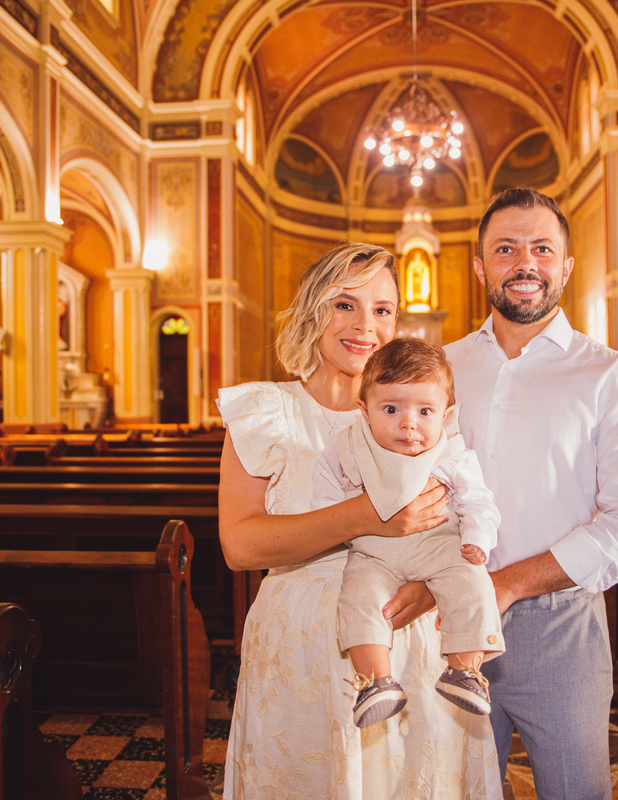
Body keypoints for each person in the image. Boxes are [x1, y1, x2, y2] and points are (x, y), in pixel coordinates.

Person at [217, 242, 503, 800]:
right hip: (301, 651)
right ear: (312, 310)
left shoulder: (423, 415)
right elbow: (240, 546)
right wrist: (368, 517)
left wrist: (432, 583)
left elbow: (456, 521)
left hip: (409, 645)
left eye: (382, 309)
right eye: (344, 304)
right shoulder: (267, 411)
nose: (364, 325)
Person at [443, 188, 618, 799]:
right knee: (456, 790)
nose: (525, 263)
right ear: (480, 266)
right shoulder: (441, 367)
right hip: (448, 620)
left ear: (566, 265)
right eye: (506, 249)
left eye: (542, 248)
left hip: (560, 624)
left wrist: (511, 582)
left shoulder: (610, 374)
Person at [313, 337, 504, 728]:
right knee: (360, 598)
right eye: (391, 408)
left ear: (446, 414)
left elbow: (478, 502)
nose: (408, 423)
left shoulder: (452, 453)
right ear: (364, 411)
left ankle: (464, 669)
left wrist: (477, 539)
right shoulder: (348, 447)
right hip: (373, 552)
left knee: (472, 582)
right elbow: (326, 503)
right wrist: (335, 524)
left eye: (424, 410)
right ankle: (375, 681)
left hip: (439, 546)